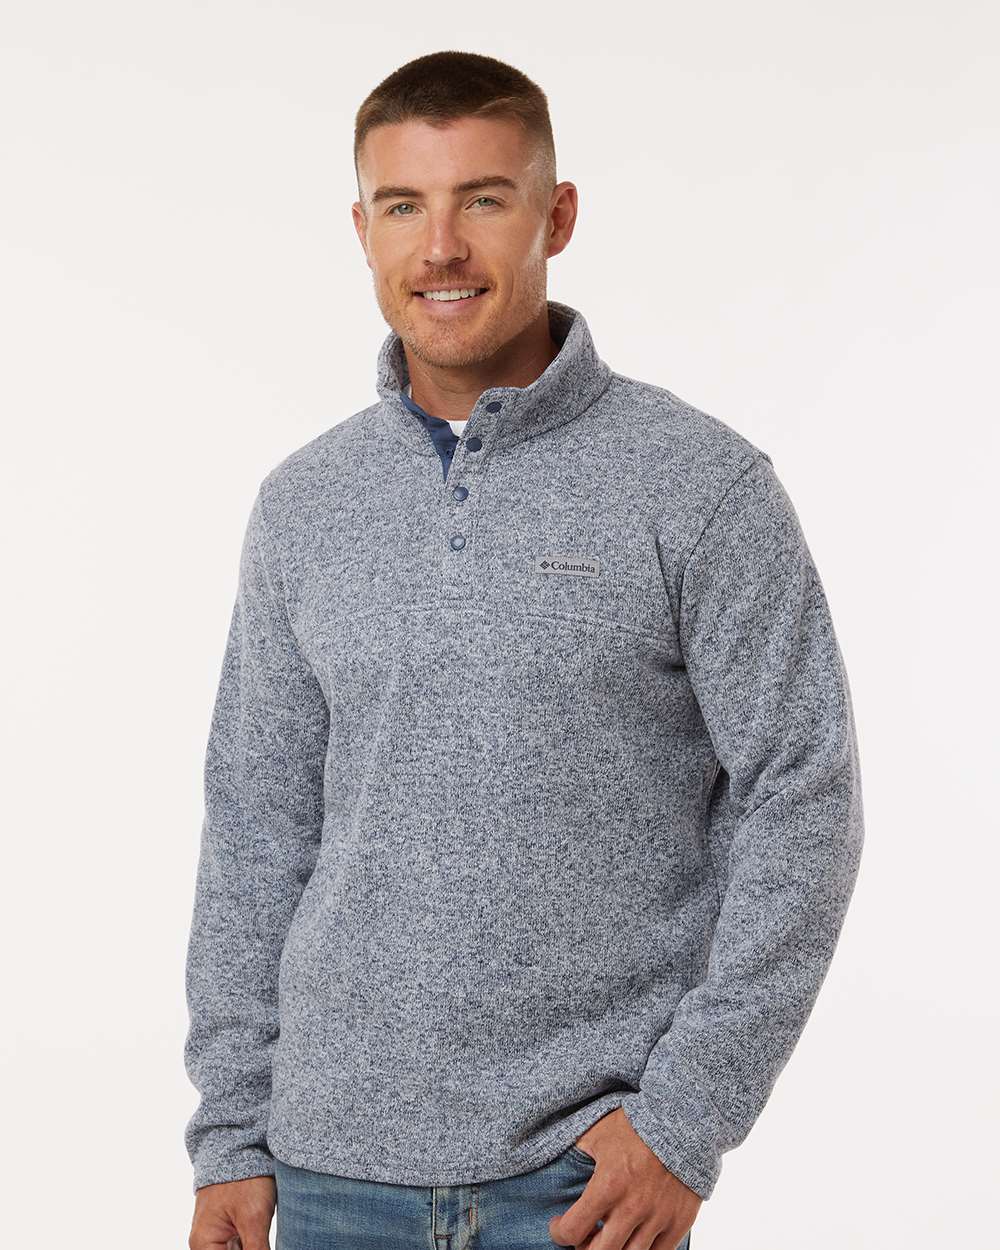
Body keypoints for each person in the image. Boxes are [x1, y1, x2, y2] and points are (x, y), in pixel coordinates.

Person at [183, 49, 865, 1250]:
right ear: (362, 230)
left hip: (585, 1183)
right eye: (404, 205)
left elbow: (802, 799)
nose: (440, 247)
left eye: (483, 199)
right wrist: (231, 1136)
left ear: (557, 217)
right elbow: (255, 829)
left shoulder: (699, 485)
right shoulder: (302, 506)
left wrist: (686, 1118)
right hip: (329, 1175)